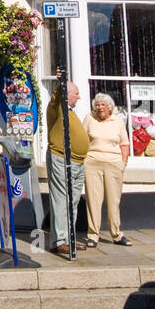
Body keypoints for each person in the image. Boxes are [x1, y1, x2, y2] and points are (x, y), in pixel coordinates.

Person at [82, 92, 131, 246]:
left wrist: (123, 163)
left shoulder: (117, 121)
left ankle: (116, 234)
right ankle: (93, 235)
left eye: (103, 105)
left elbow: (124, 143)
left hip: (113, 163)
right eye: (97, 105)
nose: (100, 107)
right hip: (92, 162)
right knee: (93, 200)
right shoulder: (89, 118)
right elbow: (82, 140)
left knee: (113, 200)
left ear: (110, 107)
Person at [46, 81, 88, 256]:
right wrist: (61, 83)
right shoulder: (56, 110)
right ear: (67, 94)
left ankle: (68, 237)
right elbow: (56, 99)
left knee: (73, 201)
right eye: (76, 93)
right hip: (61, 158)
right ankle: (59, 240)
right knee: (61, 200)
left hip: (78, 162)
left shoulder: (71, 113)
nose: (79, 97)